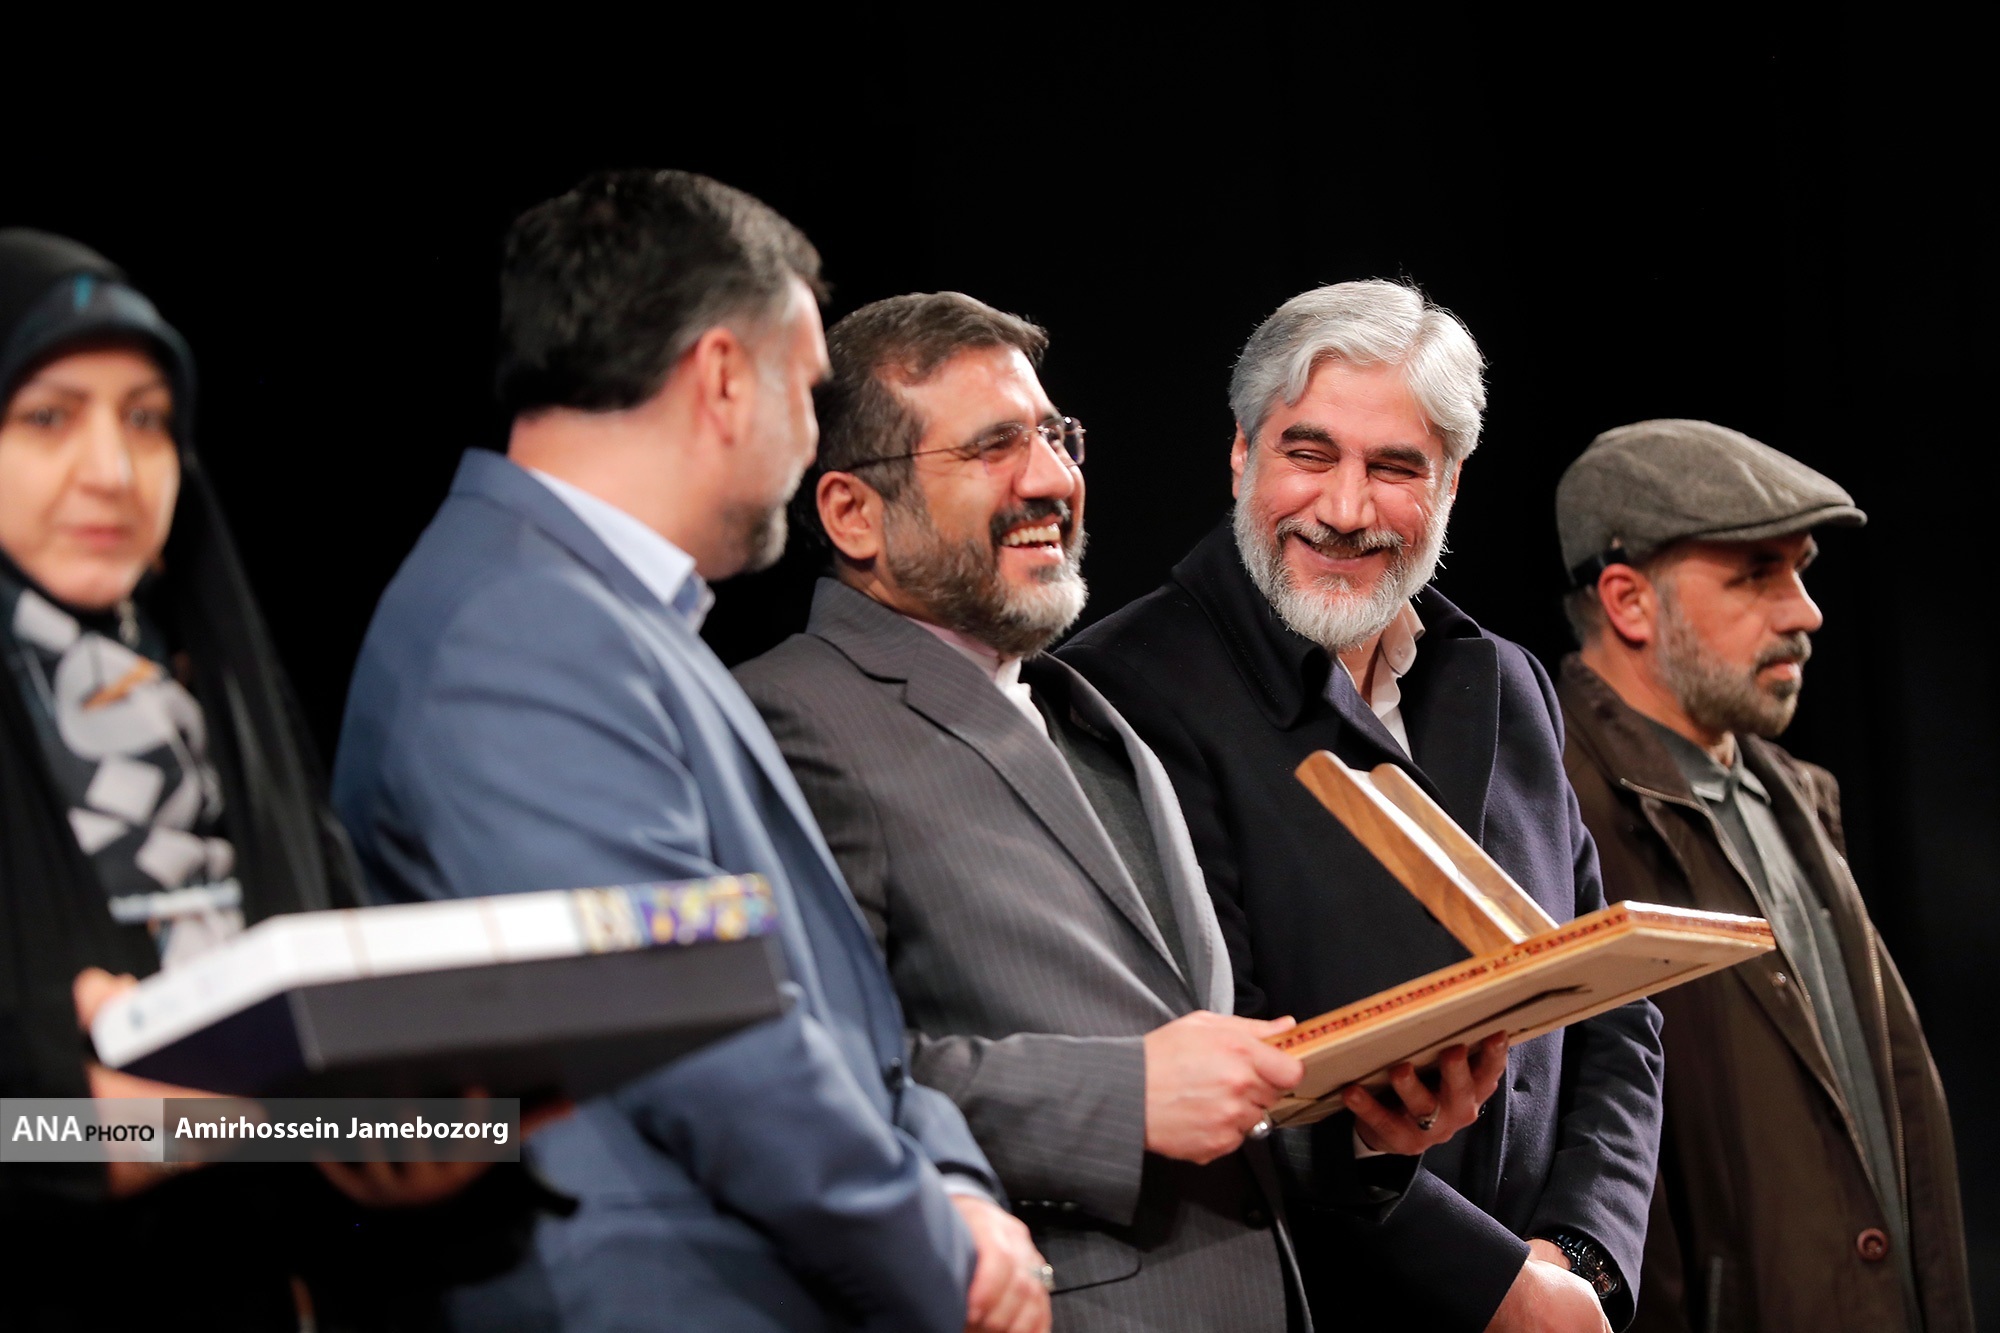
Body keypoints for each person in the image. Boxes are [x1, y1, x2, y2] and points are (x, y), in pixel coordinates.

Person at [332, 173, 1049, 1333]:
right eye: (804, 388)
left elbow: (836, 1014)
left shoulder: (604, 615)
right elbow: (701, 1042)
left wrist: (960, 1187)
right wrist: (941, 1253)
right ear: (720, 375)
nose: (810, 437)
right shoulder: (519, 625)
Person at [736, 292, 1508, 1331]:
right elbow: (791, 1085)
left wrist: (1367, 1131)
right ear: (851, 514)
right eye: (993, 447)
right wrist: (1126, 1094)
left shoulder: (1076, 706)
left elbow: (1205, 1073)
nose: (1052, 478)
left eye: (1056, 436)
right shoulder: (785, 720)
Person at [1061, 280, 1664, 1333]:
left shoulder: (1507, 680)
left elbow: (1611, 1008)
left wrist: (1578, 1257)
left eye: (1394, 468)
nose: (1344, 511)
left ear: (1451, 482)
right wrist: (1496, 1286)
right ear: (1239, 453)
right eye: (1308, 453)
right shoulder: (1120, 690)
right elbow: (1213, 1069)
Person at [0, 229, 527, 1330]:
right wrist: (111, 1137)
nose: (111, 469)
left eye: (148, 419)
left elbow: (318, 1077)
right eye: (47, 416)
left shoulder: (221, 695)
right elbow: (58, 1134)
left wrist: (429, 1147)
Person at [1552, 419, 1973, 1332]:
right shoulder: (1551, 809)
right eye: (1755, 576)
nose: (1805, 612)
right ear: (1629, 601)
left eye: (1801, 570)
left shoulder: (1792, 796)